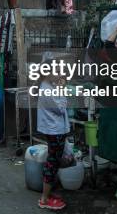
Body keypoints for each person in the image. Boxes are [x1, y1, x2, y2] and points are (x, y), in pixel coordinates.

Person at [36, 53, 70, 211]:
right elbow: (61, 108)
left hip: (54, 129)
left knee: (53, 161)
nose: (60, 74)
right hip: (54, 130)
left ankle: (48, 194)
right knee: (52, 162)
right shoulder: (47, 88)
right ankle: (44, 198)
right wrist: (62, 88)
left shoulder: (48, 85)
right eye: (56, 71)